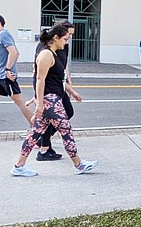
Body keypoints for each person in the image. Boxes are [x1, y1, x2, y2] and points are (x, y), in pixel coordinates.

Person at [13, 24, 97, 177]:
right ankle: (78, 164)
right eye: (65, 39)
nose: (66, 42)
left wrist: (71, 91)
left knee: (34, 134)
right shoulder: (46, 54)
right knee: (66, 130)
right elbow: (39, 79)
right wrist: (39, 104)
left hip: (51, 99)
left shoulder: (53, 54)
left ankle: (19, 166)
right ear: (56, 38)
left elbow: (57, 80)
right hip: (50, 101)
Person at [32, 20, 84, 162]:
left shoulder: (62, 46)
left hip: (57, 87)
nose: (69, 39)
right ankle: (76, 163)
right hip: (50, 91)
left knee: (40, 127)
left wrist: (68, 83)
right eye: (68, 35)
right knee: (64, 127)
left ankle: (24, 160)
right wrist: (39, 99)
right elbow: (39, 75)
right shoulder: (46, 50)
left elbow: (62, 66)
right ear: (57, 36)